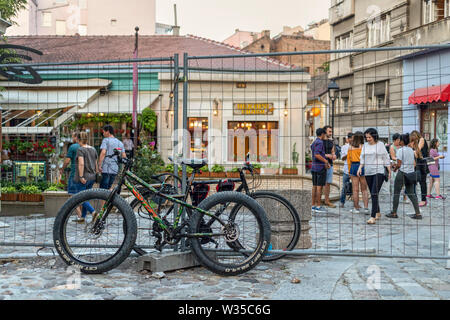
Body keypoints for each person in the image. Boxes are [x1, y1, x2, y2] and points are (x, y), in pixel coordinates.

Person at [358, 128, 391, 225]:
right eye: (366, 137)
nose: (368, 139)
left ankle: (373, 216)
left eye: (370, 137)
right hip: (368, 172)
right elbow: (362, 158)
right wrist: (360, 168)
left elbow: (386, 158)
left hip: (379, 171)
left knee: (374, 192)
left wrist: (389, 170)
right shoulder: (365, 146)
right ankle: (378, 211)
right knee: (373, 193)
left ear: (374, 136)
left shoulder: (380, 145)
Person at [386, 134, 422, 220]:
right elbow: (413, 163)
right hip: (410, 174)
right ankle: (418, 213)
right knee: (411, 193)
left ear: (402, 141)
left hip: (402, 173)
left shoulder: (400, 150)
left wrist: (394, 168)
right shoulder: (411, 150)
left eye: (400, 140)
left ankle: (394, 212)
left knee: (396, 193)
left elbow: (399, 164)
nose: (399, 141)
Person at [73, 131, 98, 223]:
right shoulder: (93, 149)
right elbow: (96, 163)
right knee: (86, 197)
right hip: (92, 176)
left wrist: (81, 176)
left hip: (84, 177)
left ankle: (93, 212)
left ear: (78, 139)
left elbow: (81, 163)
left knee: (81, 198)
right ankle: (82, 217)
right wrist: (96, 173)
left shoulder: (80, 150)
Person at [97, 125, 126, 190]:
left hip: (106, 168)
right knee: (109, 188)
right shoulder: (120, 143)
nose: (103, 133)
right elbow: (124, 156)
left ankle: (104, 200)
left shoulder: (106, 140)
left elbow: (103, 153)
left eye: (103, 132)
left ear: (108, 132)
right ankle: (108, 200)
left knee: (102, 190)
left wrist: (99, 165)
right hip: (115, 169)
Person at [348, 131, 369, 214]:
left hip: (353, 166)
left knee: (355, 190)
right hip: (363, 166)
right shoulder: (364, 147)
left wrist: (350, 171)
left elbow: (349, 160)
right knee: (364, 189)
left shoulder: (350, 147)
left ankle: (356, 208)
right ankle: (366, 208)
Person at [311, 128, 330, 214]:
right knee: (319, 187)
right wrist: (326, 161)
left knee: (314, 186)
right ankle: (318, 205)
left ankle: (313, 205)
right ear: (322, 134)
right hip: (320, 168)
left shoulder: (314, 142)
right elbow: (317, 154)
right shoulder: (320, 142)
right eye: (324, 134)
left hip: (314, 167)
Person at [410, 130, 429, 207]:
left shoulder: (422, 139)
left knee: (422, 182)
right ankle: (415, 198)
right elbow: (415, 154)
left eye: (413, 138)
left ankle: (423, 200)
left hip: (422, 163)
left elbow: (418, 150)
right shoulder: (414, 143)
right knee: (414, 181)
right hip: (417, 163)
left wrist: (413, 149)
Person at [322, 125, 337, 208]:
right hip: (321, 165)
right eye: (329, 131)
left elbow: (333, 152)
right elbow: (318, 154)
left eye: (331, 131)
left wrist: (333, 155)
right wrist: (329, 156)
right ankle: (317, 202)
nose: (331, 133)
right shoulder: (320, 141)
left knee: (328, 183)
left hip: (330, 165)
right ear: (325, 132)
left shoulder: (331, 142)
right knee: (320, 184)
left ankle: (327, 200)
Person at [339, 132, 353, 208]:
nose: (351, 139)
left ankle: (355, 204)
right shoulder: (344, 147)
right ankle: (342, 202)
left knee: (355, 187)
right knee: (344, 187)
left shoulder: (357, 146)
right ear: (348, 139)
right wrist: (349, 154)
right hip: (346, 170)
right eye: (350, 138)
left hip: (354, 170)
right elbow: (342, 158)